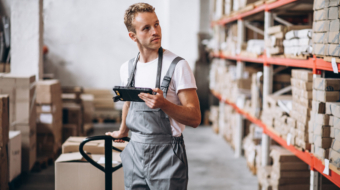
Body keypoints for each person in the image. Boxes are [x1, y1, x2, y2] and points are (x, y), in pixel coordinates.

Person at [106, 3, 201, 190]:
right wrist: (123, 131)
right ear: (132, 36)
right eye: (146, 28)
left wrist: (164, 104)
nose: (155, 31)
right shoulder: (127, 68)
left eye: (157, 24)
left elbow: (195, 118)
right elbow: (128, 104)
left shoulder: (177, 65)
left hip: (167, 155)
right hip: (134, 152)